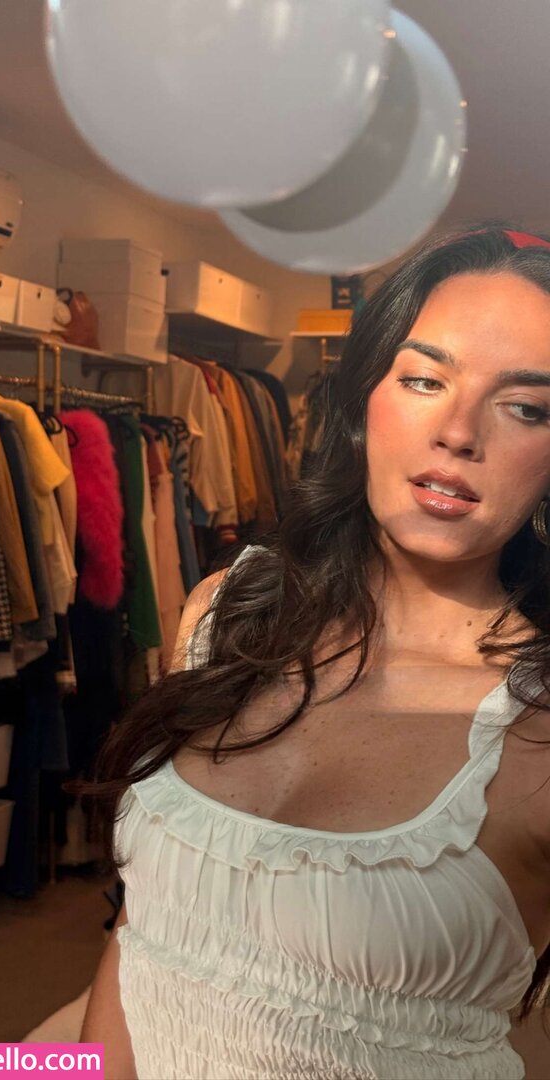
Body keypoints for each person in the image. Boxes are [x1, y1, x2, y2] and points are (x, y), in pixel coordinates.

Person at [80, 224, 550, 1079]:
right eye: (424, 379)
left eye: (525, 407)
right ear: (365, 400)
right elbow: (139, 932)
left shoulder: (535, 731)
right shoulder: (227, 613)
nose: (457, 432)